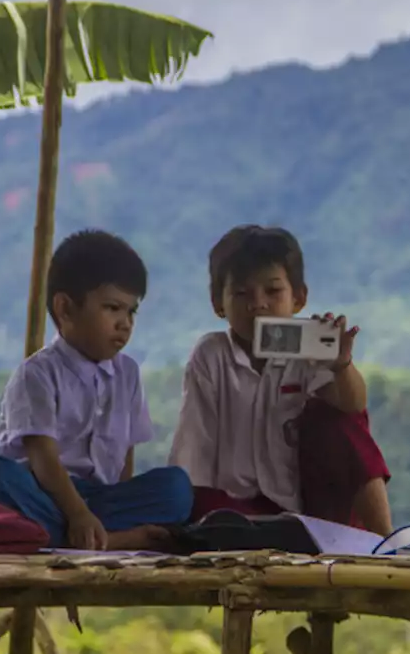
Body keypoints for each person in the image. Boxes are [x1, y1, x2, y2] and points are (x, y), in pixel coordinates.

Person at [0, 229, 193, 550]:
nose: (125, 323)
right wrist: (78, 515)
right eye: (112, 308)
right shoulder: (37, 374)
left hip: (100, 501)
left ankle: (72, 536)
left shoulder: (128, 374)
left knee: (177, 488)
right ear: (66, 308)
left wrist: (116, 505)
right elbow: (43, 459)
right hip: (41, 492)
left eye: (131, 311)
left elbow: (126, 457)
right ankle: (107, 539)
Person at [168, 225, 394, 535]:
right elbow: (195, 447)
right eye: (241, 293)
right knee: (213, 516)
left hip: (306, 505)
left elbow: (353, 406)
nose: (257, 304)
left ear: (299, 298)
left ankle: (384, 537)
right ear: (218, 303)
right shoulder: (212, 355)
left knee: (337, 418)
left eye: (272, 291)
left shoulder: (309, 349)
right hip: (235, 504)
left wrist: (341, 366)